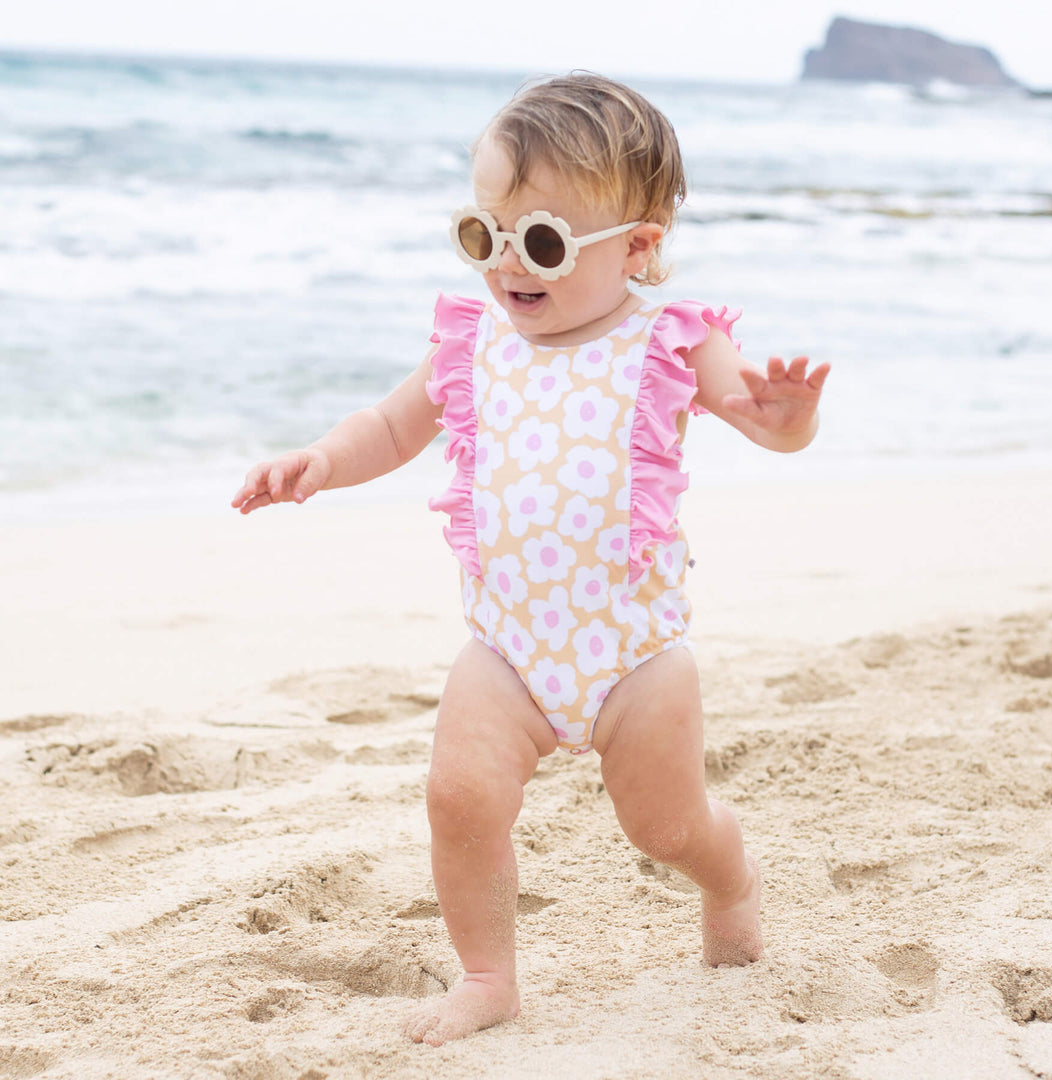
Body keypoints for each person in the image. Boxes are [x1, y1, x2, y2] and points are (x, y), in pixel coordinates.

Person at [232, 72, 829, 1046]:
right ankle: (487, 976)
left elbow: (761, 423)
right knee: (458, 797)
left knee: (667, 830)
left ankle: (733, 879)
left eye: (542, 241)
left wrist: (788, 419)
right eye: (484, 234)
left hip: (635, 654)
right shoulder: (476, 341)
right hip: (505, 647)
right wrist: (321, 463)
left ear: (638, 247)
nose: (509, 263)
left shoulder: (671, 341)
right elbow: (390, 425)